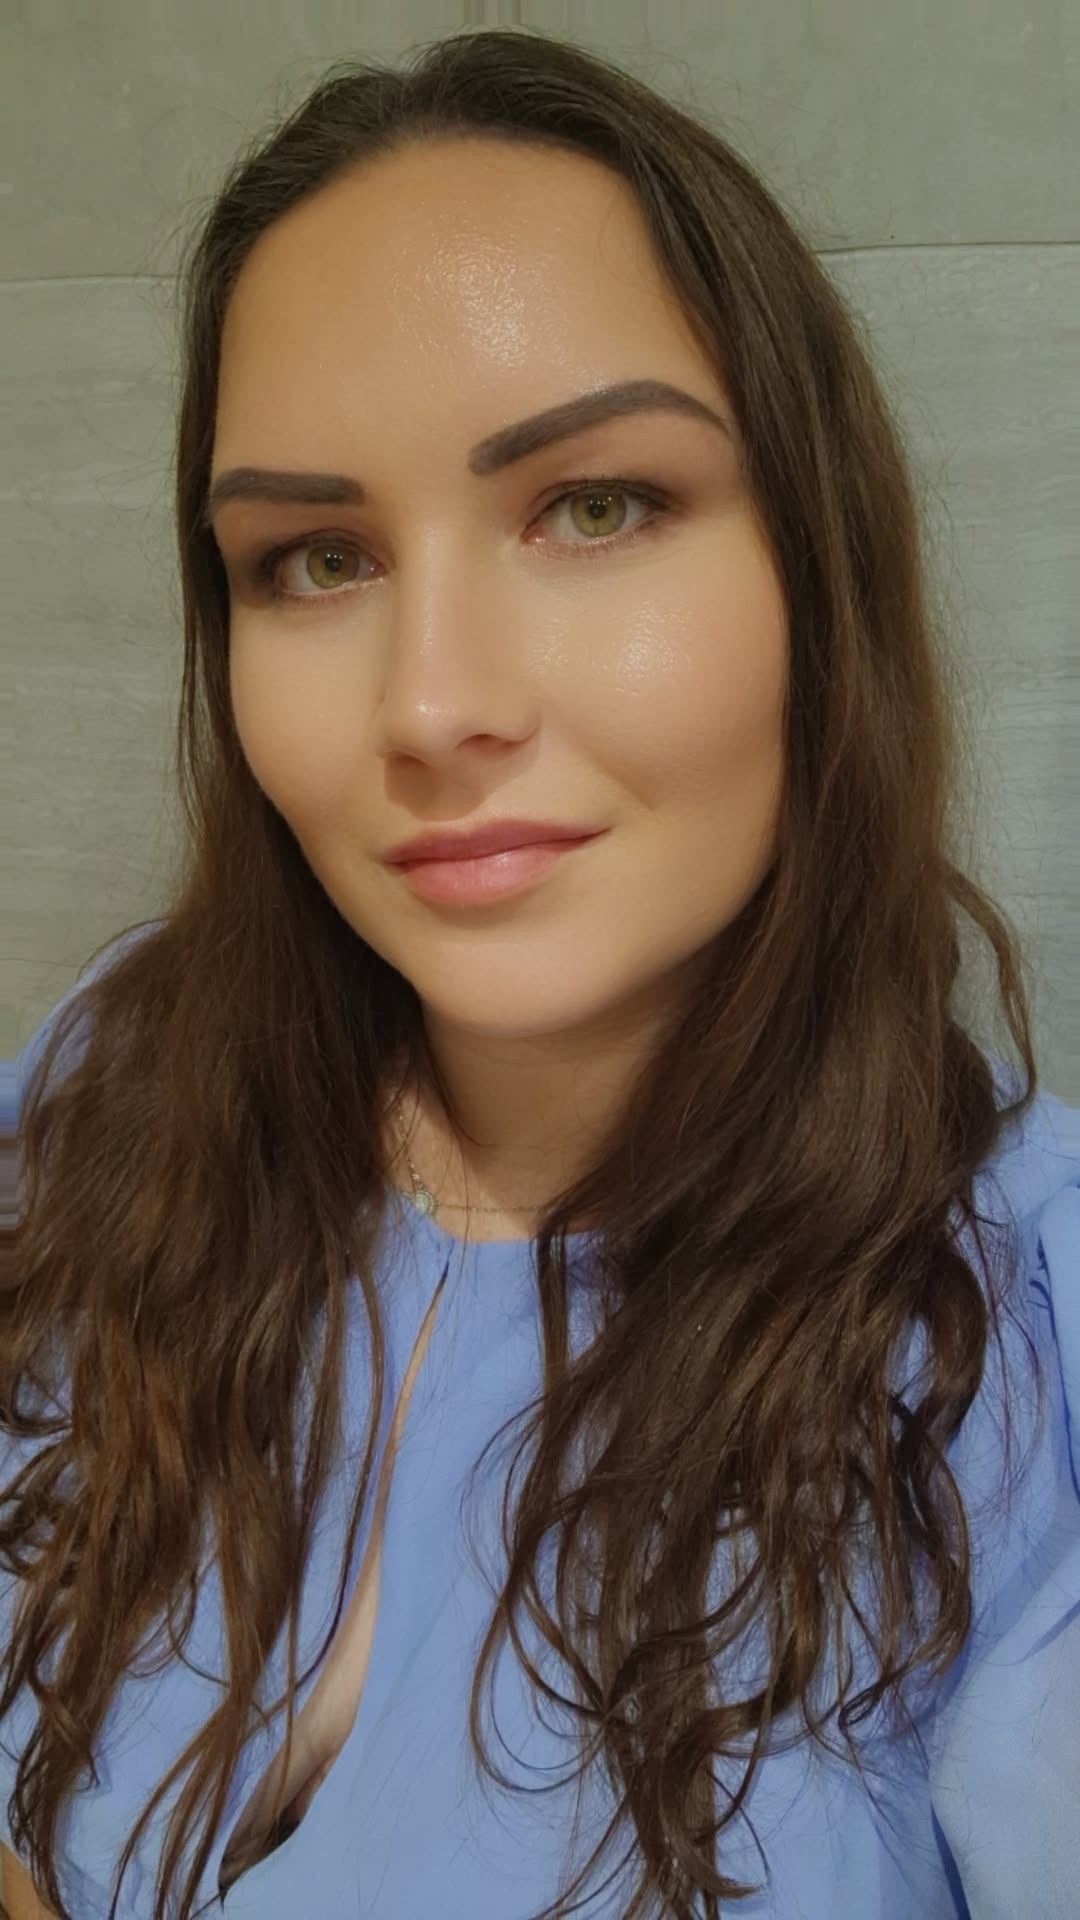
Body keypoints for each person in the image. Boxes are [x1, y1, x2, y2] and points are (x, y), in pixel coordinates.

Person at [2, 26, 1077, 1920]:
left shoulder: (1025, 1332)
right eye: (314, 558)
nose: (431, 706)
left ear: (816, 571)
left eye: (596, 506)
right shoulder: (120, 1080)